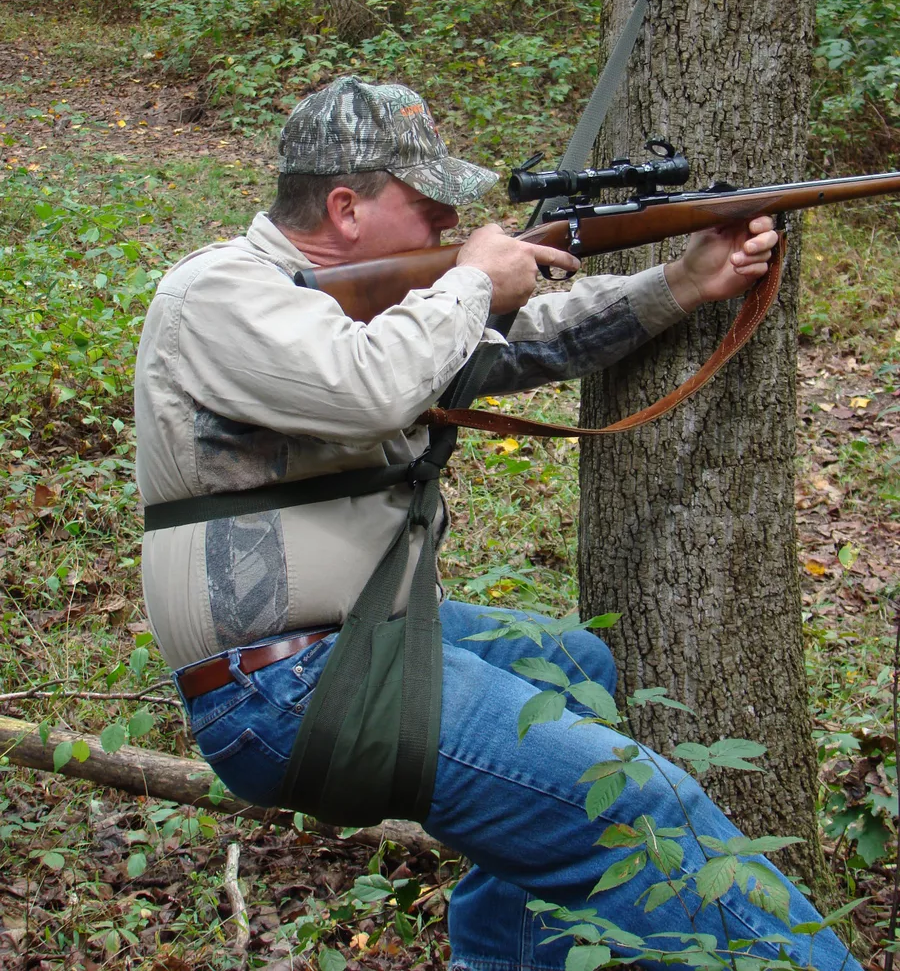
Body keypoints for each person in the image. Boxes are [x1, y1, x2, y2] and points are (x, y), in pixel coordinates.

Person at [135, 76, 859, 971]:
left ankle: (500, 955)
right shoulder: (217, 293)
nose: (450, 218)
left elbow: (523, 343)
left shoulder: (361, 305)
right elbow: (370, 387)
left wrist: (681, 281)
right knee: (639, 804)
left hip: (370, 637)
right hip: (285, 685)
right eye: (428, 200)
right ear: (345, 206)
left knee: (580, 671)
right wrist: (475, 277)